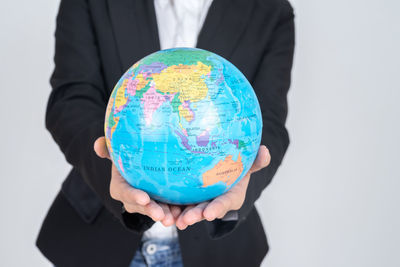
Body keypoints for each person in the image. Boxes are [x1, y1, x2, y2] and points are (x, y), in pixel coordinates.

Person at [36, 0, 295, 266]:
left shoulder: (271, 10)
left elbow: (270, 121)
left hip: (218, 251)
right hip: (97, 240)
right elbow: (70, 101)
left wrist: (242, 182)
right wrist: (114, 170)